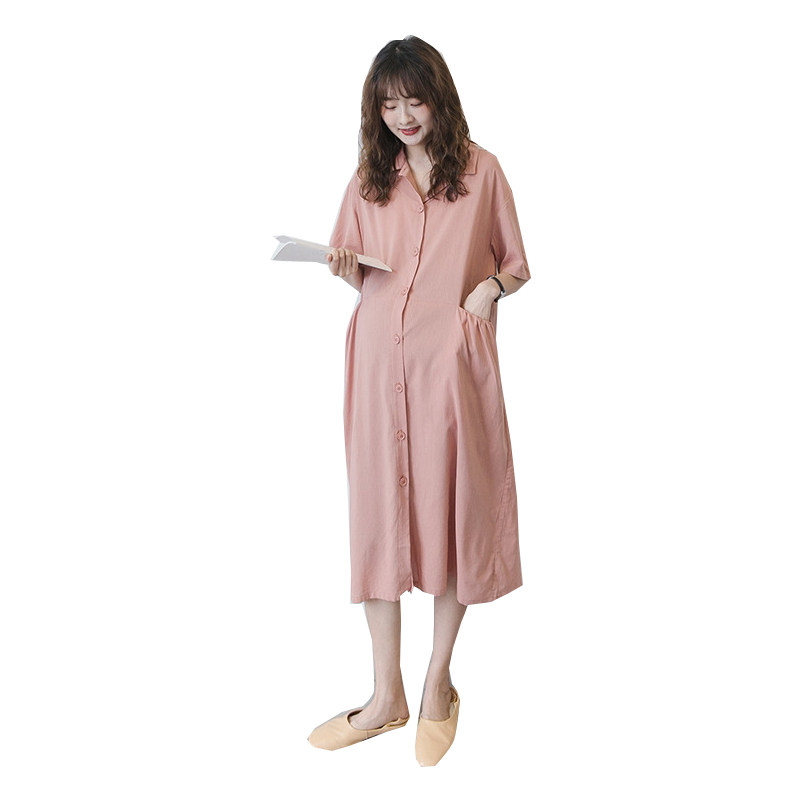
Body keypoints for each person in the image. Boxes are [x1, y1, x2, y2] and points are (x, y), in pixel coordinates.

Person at [307, 36, 531, 766]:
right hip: (379, 364)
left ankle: (438, 680)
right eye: (389, 104)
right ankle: (385, 696)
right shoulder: (370, 179)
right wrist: (344, 266)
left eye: (414, 100)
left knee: (451, 509)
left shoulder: (482, 172)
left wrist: (486, 291)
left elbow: (516, 265)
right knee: (379, 517)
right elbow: (363, 271)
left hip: (450, 365)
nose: (403, 116)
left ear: (439, 97)